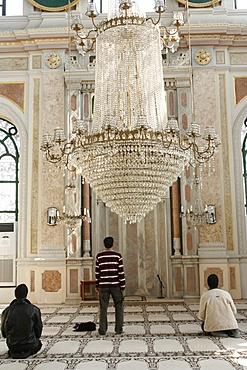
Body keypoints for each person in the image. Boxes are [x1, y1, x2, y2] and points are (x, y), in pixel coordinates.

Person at [1, 283, 43, 358]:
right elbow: (38, 330)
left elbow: (4, 333)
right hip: (30, 345)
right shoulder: (34, 309)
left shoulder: (6, 311)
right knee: (39, 344)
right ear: (26, 294)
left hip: (13, 346)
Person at [95, 236, 125, 335]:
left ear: (104, 244)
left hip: (103, 285)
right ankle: (118, 329)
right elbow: (120, 272)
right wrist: (122, 286)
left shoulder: (99, 256)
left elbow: (97, 273)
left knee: (103, 308)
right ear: (113, 244)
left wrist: (97, 285)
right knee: (119, 306)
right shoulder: (117, 256)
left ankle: (102, 330)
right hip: (115, 285)